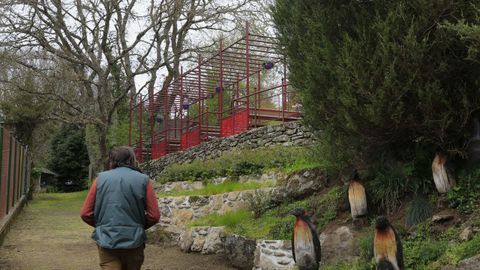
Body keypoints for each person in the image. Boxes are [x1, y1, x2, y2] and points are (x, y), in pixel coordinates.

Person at [80, 146, 160, 270]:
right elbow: (154, 215)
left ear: (111, 161)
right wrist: (138, 227)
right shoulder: (144, 180)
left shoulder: (100, 179)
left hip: (107, 240)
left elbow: (85, 213)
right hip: (134, 242)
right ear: (132, 160)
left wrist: (102, 226)